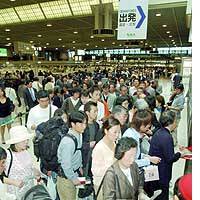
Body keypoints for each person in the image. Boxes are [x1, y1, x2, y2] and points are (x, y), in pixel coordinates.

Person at [146, 110, 184, 200]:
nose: (177, 123)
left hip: (156, 172)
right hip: (162, 173)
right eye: (176, 121)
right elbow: (170, 158)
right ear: (171, 122)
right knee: (163, 195)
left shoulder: (159, 132)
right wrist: (180, 154)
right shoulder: (167, 137)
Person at [57, 111, 88, 200]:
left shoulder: (79, 134)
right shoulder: (68, 142)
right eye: (81, 124)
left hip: (74, 173)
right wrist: (73, 178)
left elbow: (78, 153)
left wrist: (80, 167)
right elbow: (66, 165)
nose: (84, 126)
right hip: (66, 179)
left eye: (85, 124)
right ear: (72, 124)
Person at [5, 126, 41, 199]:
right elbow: (1, 177)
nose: (26, 142)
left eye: (27, 140)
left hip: (29, 191)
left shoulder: (26, 152)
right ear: (15, 142)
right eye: (23, 140)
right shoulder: (7, 156)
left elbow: (28, 167)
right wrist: (14, 182)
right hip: (16, 193)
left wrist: (35, 172)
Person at [91, 116, 121, 199]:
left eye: (119, 132)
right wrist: (113, 163)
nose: (117, 135)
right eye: (115, 132)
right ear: (106, 131)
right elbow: (95, 171)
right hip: (103, 185)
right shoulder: (99, 148)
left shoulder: (114, 143)